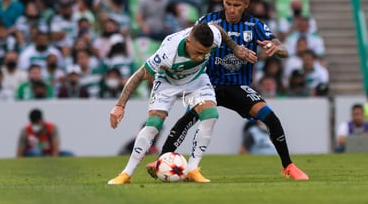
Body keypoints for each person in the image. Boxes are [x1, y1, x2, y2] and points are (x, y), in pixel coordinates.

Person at [145, 0, 309, 181]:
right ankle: (161, 160)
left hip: (237, 86)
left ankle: (289, 166)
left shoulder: (255, 25)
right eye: (228, 4)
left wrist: (276, 49)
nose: (231, 9)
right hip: (208, 85)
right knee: (187, 120)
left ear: (246, 4)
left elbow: (282, 48)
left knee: (270, 117)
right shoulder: (208, 22)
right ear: (223, 0)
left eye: (237, 5)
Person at [107, 22, 256, 184]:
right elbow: (139, 75)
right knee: (154, 123)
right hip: (167, 82)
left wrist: (234, 48)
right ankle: (126, 174)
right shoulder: (168, 53)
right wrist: (120, 105)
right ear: (188, 42)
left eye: (205, 54)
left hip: (195, 80)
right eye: (198, 52)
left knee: (210, 115)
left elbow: (217, 27)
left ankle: (192, 169)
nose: (200, 57)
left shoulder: (214, 37)